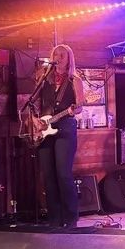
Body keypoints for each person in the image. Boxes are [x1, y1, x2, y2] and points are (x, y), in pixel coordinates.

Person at [34, 44, 84, 228]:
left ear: (69, 58)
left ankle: (70, 219)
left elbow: (79, 106)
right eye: (56, 54)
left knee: (63, 174)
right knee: (48, 176)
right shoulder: (44, 78)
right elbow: (33, 103)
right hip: (44, 130)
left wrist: (73, 110)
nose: (59, 57)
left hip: (65, 128)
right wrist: (35, 120)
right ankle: (54, 219)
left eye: (63, 55)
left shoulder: (74, 80)